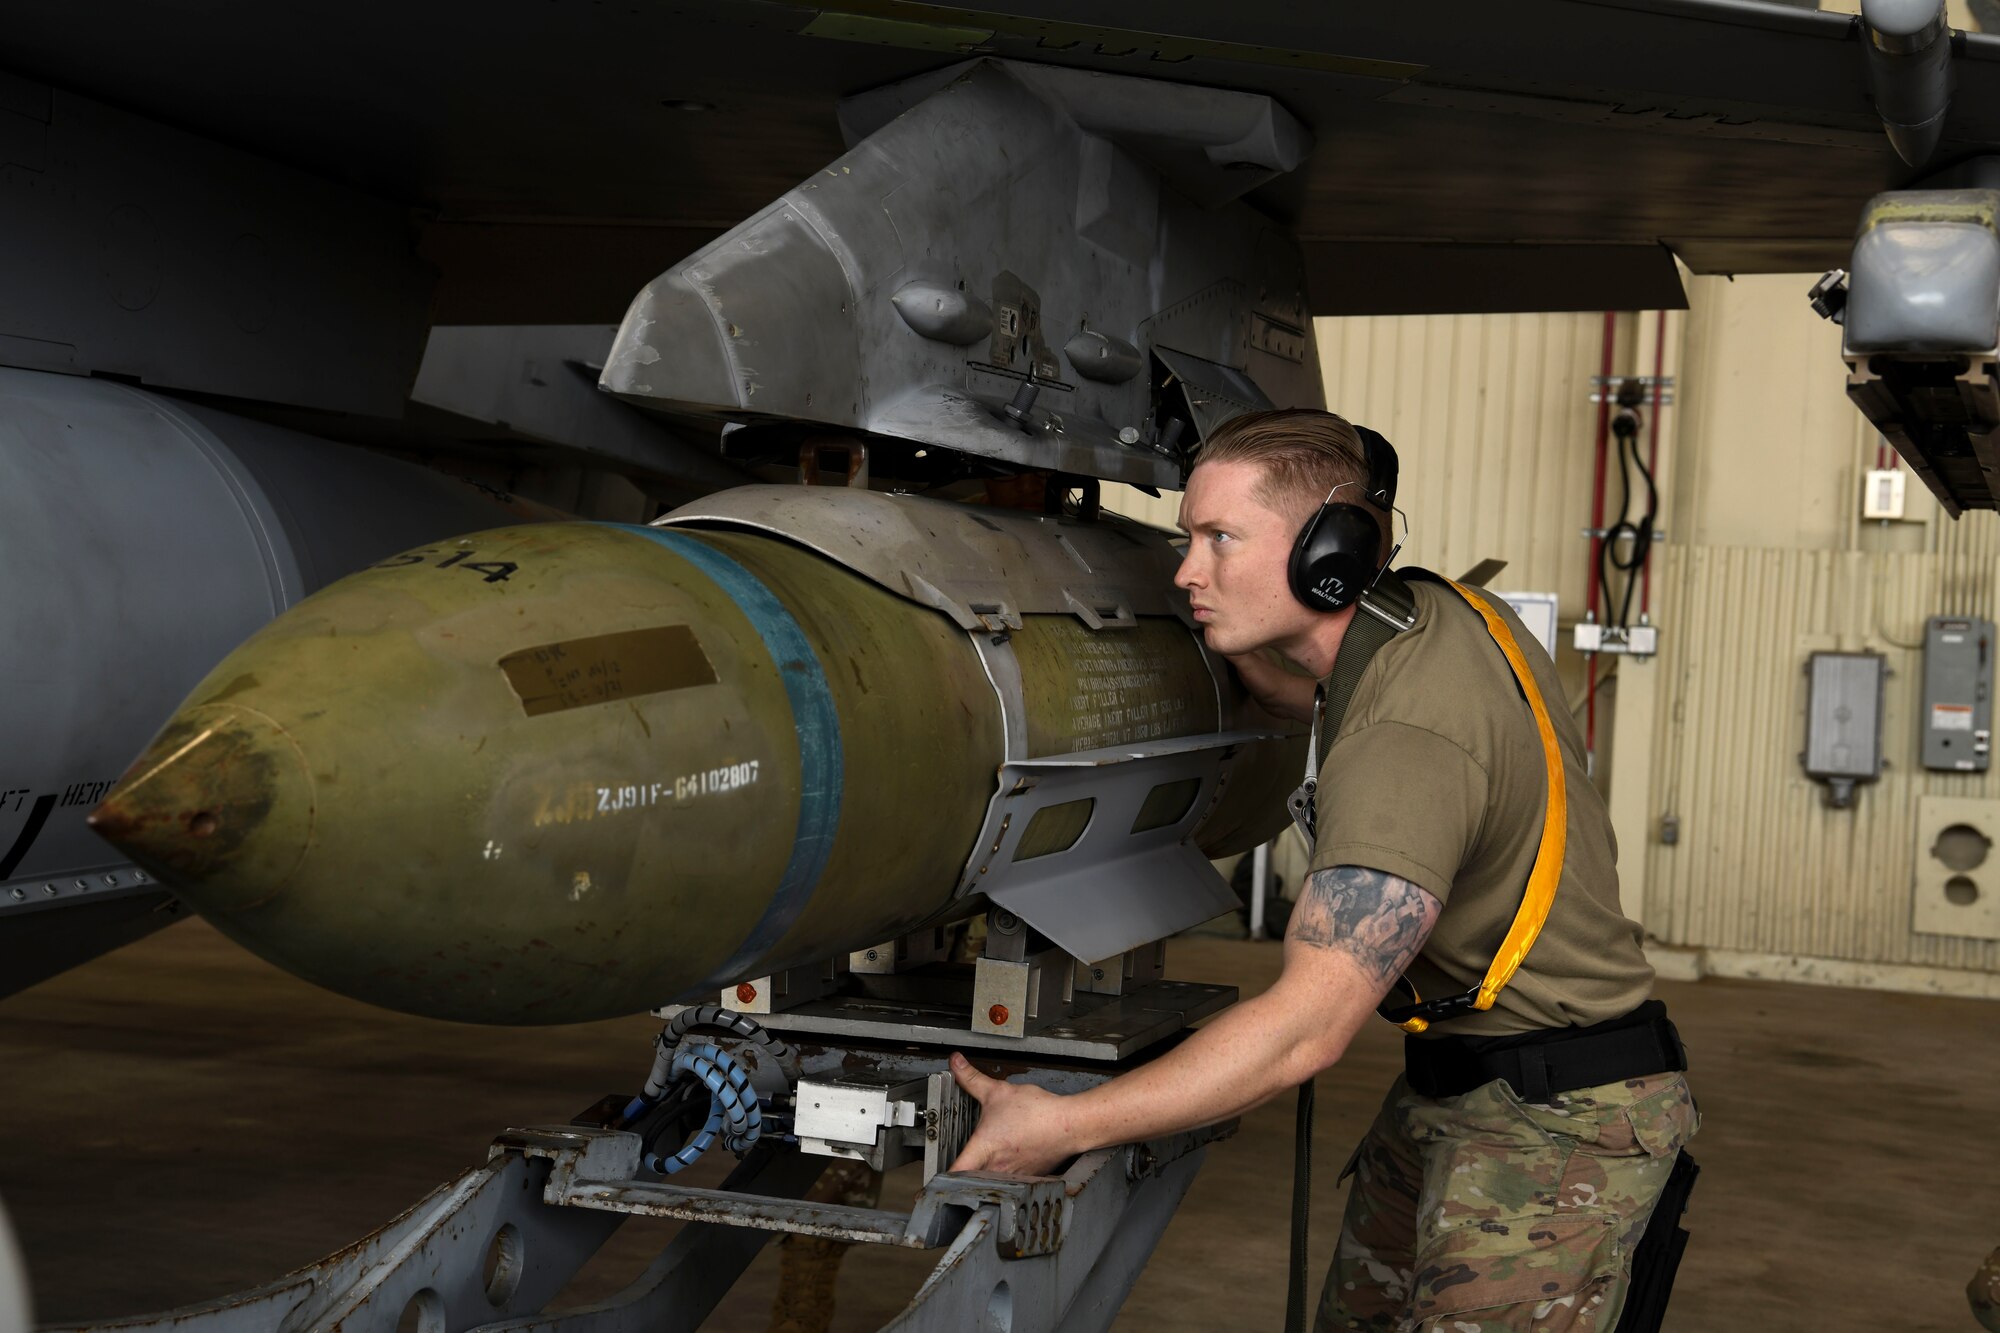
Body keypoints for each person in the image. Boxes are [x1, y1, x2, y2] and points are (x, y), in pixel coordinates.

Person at [946, 408, 1698, 1331]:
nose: (1188, 570)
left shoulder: (1406, 743)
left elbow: (1306, 1031)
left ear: (1327, 556)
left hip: (1557, 1124)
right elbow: (1311, 688)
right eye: (1190, 538)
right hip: (1460, 1085)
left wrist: (1061, 1124)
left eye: (1220, 539)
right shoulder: (1442, 614)